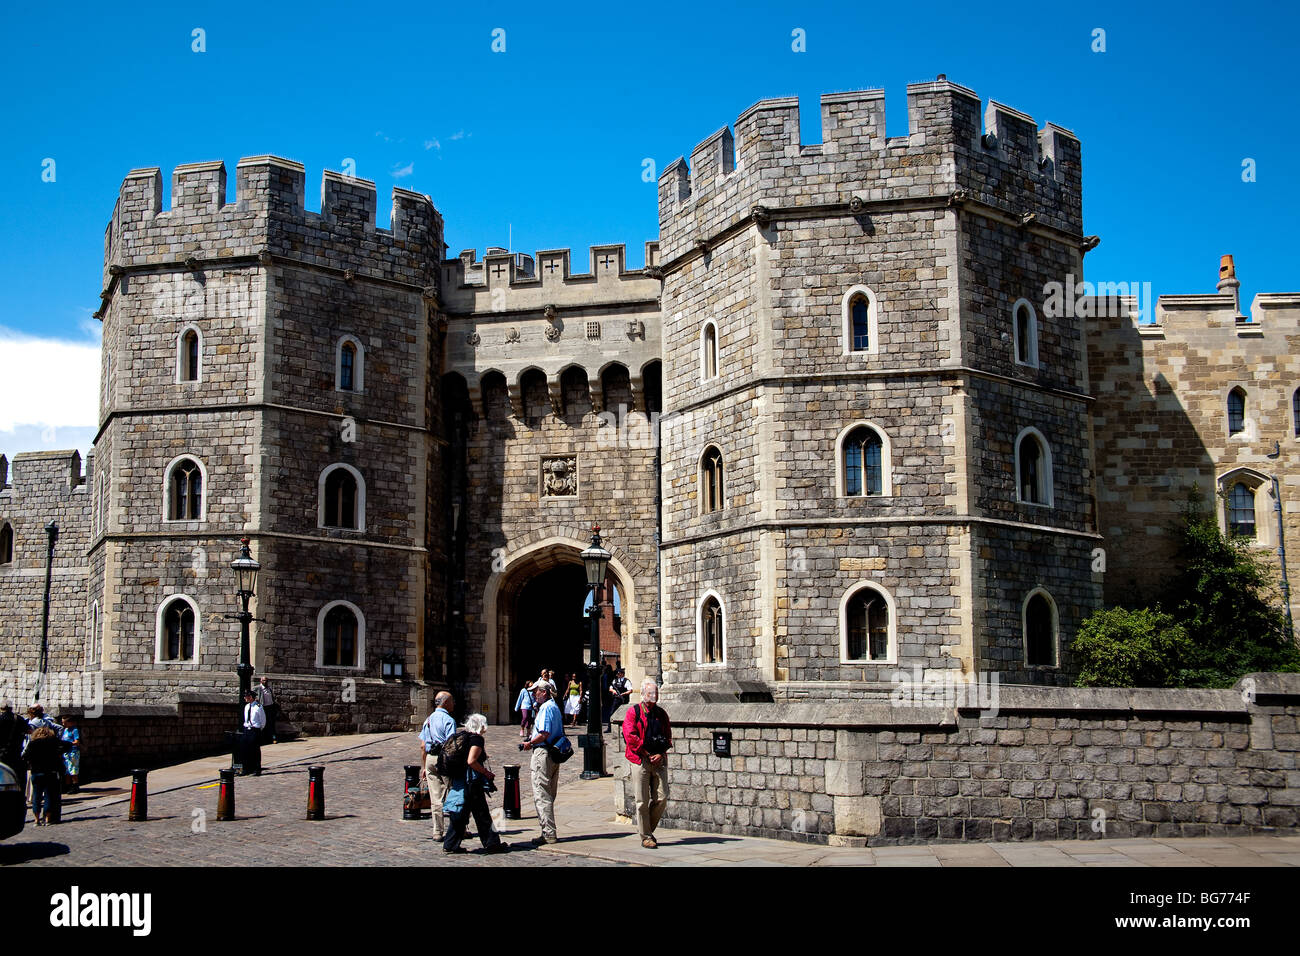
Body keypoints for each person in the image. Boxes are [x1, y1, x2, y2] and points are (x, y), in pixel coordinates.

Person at [441, 713, 506, 854]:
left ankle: (450, 843)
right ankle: (492, 843)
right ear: (482, 726)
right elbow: (471, 761)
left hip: (460, 779)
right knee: (482, 813)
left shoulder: (463, 736)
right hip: (472, 781)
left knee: (461, 813)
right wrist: (485, 772)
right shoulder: (477, 739)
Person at [622, 677, 672, 848]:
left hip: (659, 759)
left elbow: (667, 736)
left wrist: (661, 752)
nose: (654, 696)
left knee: (663, 796)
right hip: (640, 759)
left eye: (655, 693)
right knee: (642, 800)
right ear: (643, 694)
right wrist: (646, 752)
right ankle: (646, 836)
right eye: (651, 693)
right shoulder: (633, 712)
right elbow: (630, 735)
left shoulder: (661, 714)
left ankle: (647, 829)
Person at [521, 680, 564, 845]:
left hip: (543, 753)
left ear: (544, 692)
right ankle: (548, 829)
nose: (533, 694)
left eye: (535, 691)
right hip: (553, 753)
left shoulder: (546, 708)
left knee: (542, 794)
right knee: (549, 793)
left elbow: (544, 733)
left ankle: (548, 833)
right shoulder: (554, 707)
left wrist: (529, 743)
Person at [418, 691, 457, 839]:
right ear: (445, 703)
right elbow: (451, 745)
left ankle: (437, 831)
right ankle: (459, 828)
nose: (453, 703)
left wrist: (424, 766)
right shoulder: (448, 720)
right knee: (454, 793)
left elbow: (423, 746)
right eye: (452, 700)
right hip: (444, 759)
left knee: (436, 798)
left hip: (430, 759)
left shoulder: (428, 720)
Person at [23, 725, 64, 826]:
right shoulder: (52, 743)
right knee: (48, 796)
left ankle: (36, 819)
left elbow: (25, 756)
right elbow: (65, 747)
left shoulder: (32, 744)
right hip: (50, 772)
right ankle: (47, 818)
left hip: (36, 772)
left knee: (36, 796)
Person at [0, 704, 29, 797]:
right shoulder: (19, 719)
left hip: (2, 756)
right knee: (18, 780)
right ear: (11, 708)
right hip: (16, 754)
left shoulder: (0, 718)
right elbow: (30, 731)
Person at [240, 690, 265, 775]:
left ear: (250, 697)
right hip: (247, 729)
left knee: (255, 750)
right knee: (245, 749)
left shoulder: (258, 706)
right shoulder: (246, 706)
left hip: (254, 729)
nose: (245, 698)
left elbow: (263, 720)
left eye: (246, 696)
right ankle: (246, 768)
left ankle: (257, 769)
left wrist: (259, 728)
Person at [59, 715, 81, 793]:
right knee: (67, 770)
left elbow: (77, 741)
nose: (63, 724)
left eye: (65, 723)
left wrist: (69, 743)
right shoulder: (65, 730)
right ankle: (67, 786)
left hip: (73, 752)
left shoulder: (74, 730)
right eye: (62, 722)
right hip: (66, 752)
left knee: (73, 769)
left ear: (70, 722)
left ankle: (75, 785)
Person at [256, 677, 278, 744]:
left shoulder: (269, 688)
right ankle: (263, 739)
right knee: (263, 723)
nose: (265, 681)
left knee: (271, 724)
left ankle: (273, 738)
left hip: (270, 707)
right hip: (263, 708)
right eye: (263, 680)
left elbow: (272, 698)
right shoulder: (258, 688)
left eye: (266, 680)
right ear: (261, 681)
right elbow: (254, 696)